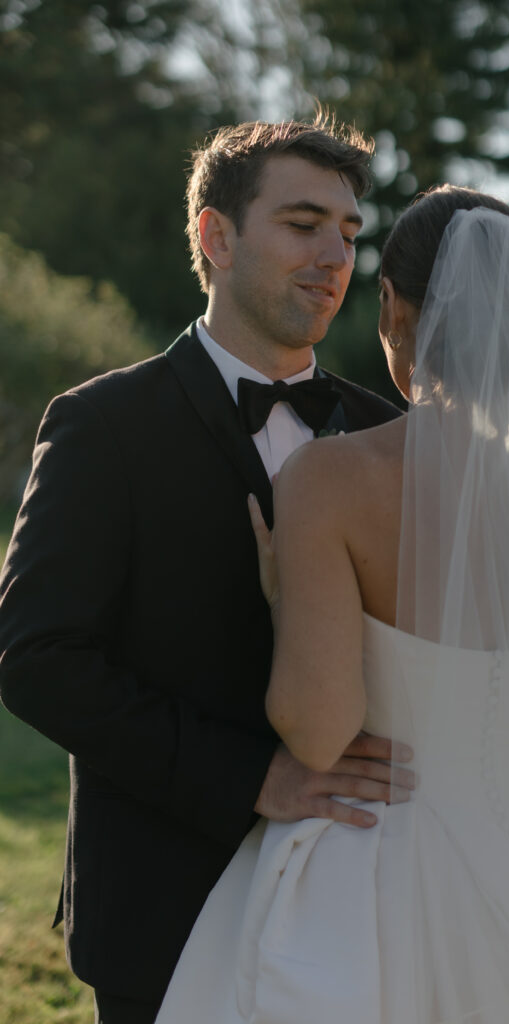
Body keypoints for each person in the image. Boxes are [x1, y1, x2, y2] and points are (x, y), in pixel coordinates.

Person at [155, 185, 509, 1023]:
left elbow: (318, 727)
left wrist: (286, 595)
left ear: (393, 308)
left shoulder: (331, 480)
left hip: (380, 863)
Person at [0, 115, 406, 1024]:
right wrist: (249, 779)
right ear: (214, 236)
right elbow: (36, 658)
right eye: (302, 225)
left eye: (347, 234)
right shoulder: (101, 425)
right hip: (164, 903)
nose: (334, 257)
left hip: (361, 901)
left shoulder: (389, 434)